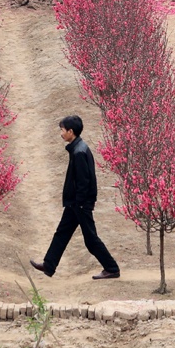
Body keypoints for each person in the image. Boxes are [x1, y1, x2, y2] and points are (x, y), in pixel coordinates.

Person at [30, 116, 120, 280]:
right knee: (62, 233)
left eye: (63, 130)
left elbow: (84, 182)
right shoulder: (78, 148)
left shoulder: (79, 152)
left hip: (80, 204)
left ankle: (112, 268)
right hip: (76, 204)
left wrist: (79, 204)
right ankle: (49, 265)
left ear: (71, 132)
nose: (61, 134)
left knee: (90, 239)